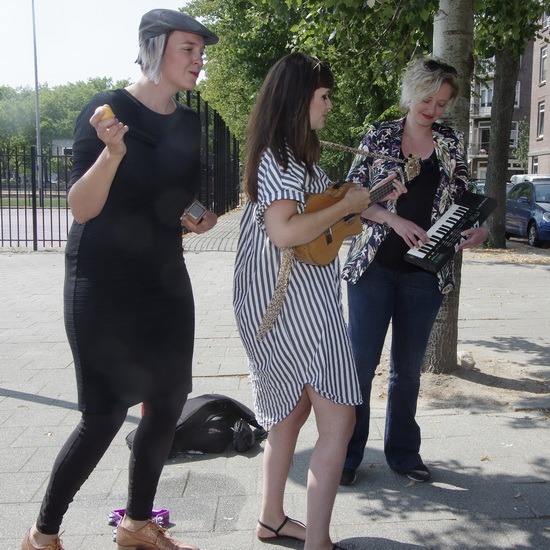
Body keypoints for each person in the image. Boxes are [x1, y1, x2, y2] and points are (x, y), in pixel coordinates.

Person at [21, 9, 219, 550]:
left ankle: (136, 525)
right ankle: (43, 533)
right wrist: (113, 152)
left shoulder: (189, 121)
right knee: (104, 415)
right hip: (103, 283)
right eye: (188, 48)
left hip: (165, 278)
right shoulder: (108, 110)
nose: (199, 59)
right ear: (154, 47)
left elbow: (183, 193)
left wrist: (201, 214)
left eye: (202, 51)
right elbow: (81, 208)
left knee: (169, 400)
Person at [233, 53, 404, 550]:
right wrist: (352, 205)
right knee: (341, 419)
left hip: (289, 302)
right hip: (292, 307)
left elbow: (322, 226)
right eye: (324, 96)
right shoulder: (283, 160)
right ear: (298, 98)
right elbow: (285, 232)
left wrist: (369, 207)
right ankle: (319, 543)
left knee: (290, 412)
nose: (330, 105)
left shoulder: (289, 156)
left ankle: (271, 520)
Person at [339, 57, 489, 487]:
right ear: (412, 93)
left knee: (408, 370)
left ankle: (404, 454)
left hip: (425, 273)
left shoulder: (451, 143)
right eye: (428, 99)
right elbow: (349, 199)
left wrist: (480, 229)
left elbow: (465, 201)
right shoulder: (380, 135)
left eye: (442, 103)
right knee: (361, 366)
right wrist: (391, 218)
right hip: (374, 269)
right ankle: (347, 454)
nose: (433, 109)